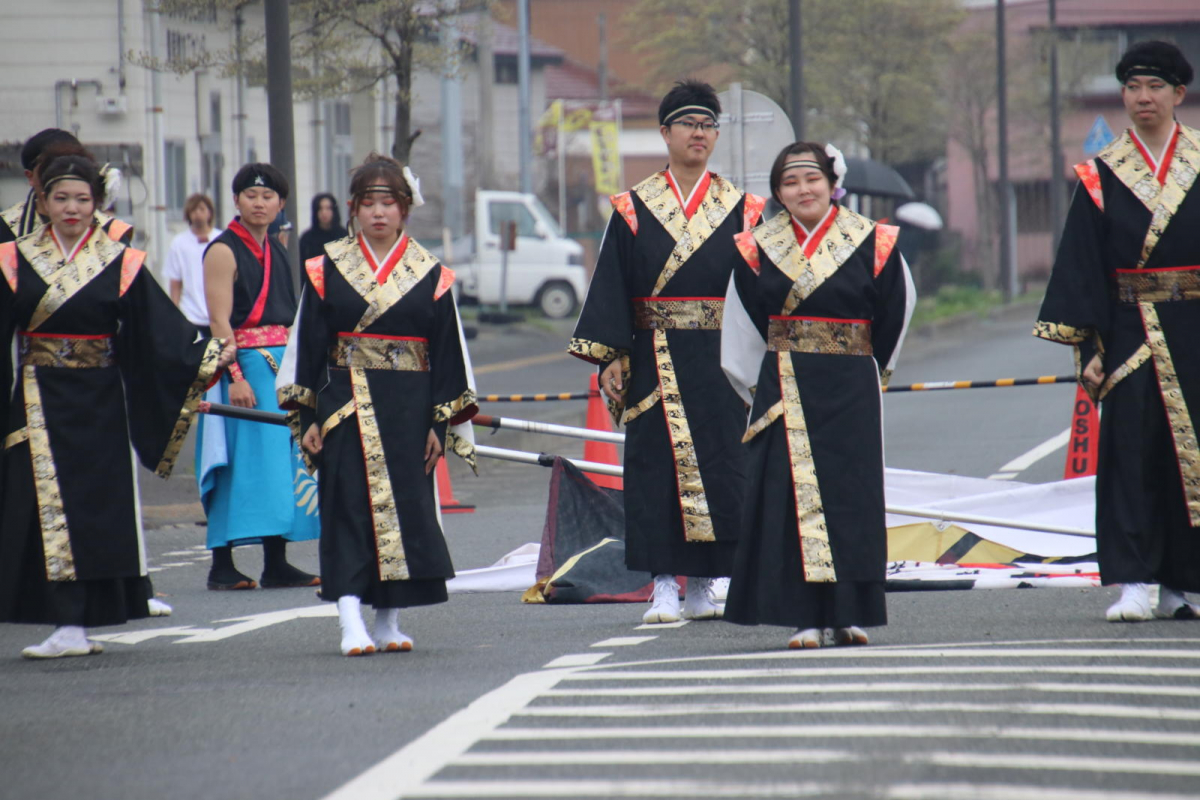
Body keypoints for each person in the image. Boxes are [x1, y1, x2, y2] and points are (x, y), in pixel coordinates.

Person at [0, 154, 235, 658]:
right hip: (38, 397)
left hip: (100, 399)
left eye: (82, 199)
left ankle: (80, 622)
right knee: (42, 511)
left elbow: (158, 331)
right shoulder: (13, 259)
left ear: (97, 205)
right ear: (41, 202)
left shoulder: (120, 261)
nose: (71, 208)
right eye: (60, 198)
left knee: (93, 511)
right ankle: (64, 623)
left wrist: (205, 356)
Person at [567, 80, 767, 624]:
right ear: (665, 133)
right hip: (655, 353)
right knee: (656, 469)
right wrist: (611, 354)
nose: (699, 133)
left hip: (722, 355)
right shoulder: (633, 208)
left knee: (722, 464)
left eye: (708, 124)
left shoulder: (744, 209)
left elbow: (759, 287)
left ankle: (703, 583)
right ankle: (661, 584)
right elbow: (612, 283)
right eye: (688, 124)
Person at [277, 154, 477, 656]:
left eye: (389, 203)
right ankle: (350, 620)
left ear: (405, 209)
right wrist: (307, 416)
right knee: (346, 511)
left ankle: (388, 621)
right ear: (353, 209)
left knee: (406, 514)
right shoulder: (326, 267)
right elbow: (308, 347)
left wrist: (439, 421)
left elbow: (447, 353)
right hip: (345, 407)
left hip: (410, 412)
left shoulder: (430, 272)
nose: (379, 213)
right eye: (369, 203)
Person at [720, 141, 915, 649]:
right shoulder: (755, 247)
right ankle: (802, 616)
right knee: (789, 501)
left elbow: (896, 309)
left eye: (812, 178)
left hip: (851, 384)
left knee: (851, 499)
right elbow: (741, 325)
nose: (803, 189)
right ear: (778, 193)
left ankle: (850, 612)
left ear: (833, 184)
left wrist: (871, 369)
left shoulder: (873, 241)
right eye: (790, 182)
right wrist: (754, 388)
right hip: (784, 384)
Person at [1034, 40, 1200, 622]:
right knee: (1131, 456)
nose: (1143, 98)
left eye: (1155, 87)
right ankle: (1134, 580)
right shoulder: (1102, 174)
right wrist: (1089, 345)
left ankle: (1186, 584)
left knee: (1192, 457)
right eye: (1133, 87)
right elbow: (1083, 265)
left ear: (1178, 94)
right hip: (1130, 335)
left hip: (1195, 331)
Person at [198, 163, 320, 591]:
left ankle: (276, 560)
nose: (259, 202)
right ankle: (221, 563)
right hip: (242, 368)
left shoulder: (277, 248)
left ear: (280, 204)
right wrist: (235, 376)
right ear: (236, 200)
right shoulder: (222, 250)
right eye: (251, 195)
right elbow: (218, 320)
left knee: (278, 464)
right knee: (236, 462)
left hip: (278, 366)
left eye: (268, 197)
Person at [1, 129, 132, 246]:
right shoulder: (6, 228)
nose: (64, 173)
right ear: (30, 176)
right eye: (51, 167)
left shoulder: (110, 233)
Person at [164, 193, 222, 333]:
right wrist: (174, 312)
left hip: (218, 315)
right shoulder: (179, 243)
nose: (198, 214)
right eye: (194, 210)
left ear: (210, 213)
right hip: (189, 315)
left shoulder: (221, 239)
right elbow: (175, 282)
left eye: (202, 209)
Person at [299, 192, 348, 263]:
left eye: (328, 208)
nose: (324, 212)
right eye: (320, 209)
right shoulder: (307, 238)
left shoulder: (344, 236)